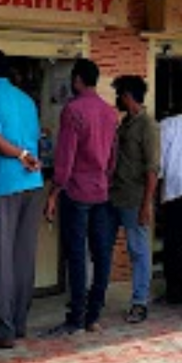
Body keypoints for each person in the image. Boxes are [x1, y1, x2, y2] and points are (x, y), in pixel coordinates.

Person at [0, 48, 45, 348]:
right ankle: (18, 322)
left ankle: (1, 328)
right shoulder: (26, 99)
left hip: (4, 184)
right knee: (23, 257)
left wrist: (20, 153)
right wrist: (26, 154)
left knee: (0, 258)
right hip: (33, 184)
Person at [44, 58, 117, 336]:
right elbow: (112, 157)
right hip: (101, 190)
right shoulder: (109, 113)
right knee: (101, 254)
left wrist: (54, 191)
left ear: (76, 80)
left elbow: (65, 157)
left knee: (76, 255)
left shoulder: (73, 110)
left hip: (76, 191)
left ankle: (76, 316)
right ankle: (93, 315)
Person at [102, 75, 160, 326]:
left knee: (138, 251)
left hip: (135, 198)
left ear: (127, 96)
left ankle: (140, 302)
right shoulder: (125, 123)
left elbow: (152, 169)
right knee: (103, 246)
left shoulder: (147, 125)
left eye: (119, 95)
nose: (117, 100)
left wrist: (147, 203)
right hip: (114, 195)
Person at [158, 108, 182, 306]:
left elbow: (160, 162)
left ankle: (174, 291)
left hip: (175, 190)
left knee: (174, 243)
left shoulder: (168, 125)